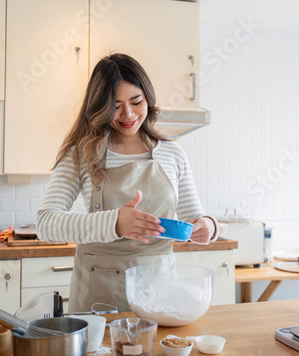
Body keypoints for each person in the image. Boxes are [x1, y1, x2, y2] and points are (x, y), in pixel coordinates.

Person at [37, 53, 219, 312]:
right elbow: (46, 224)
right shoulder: (80, 153)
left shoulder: (172, 153)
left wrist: (208, 227)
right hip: (98, 294)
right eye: (115, 105)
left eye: (136, 101)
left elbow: (193, 218)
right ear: (99, 107)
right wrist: (114, 223)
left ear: (148, 98)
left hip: (159, 290)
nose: (128, 114)